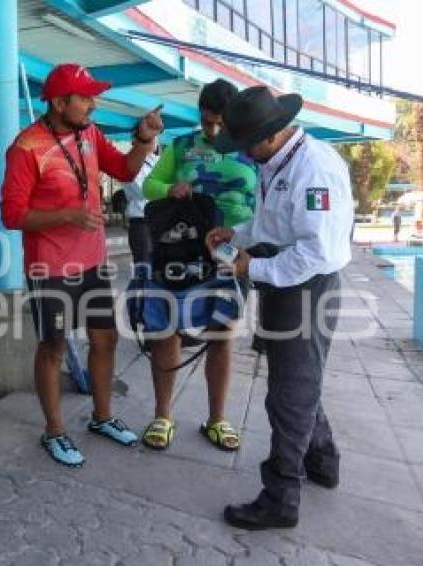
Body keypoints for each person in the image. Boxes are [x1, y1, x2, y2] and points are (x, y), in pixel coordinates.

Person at [0, 63, 164, 467]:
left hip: (92, 262)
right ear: (59, 102)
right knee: (53, 346)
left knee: (105, 339)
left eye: (94, 95)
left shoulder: (90, 133)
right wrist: (67, 215)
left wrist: (144, 138)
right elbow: (11, 215)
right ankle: (54, 431)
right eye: (85, 97)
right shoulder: (26, 146)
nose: (94, 103)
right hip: (49, 266)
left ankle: (102, 417)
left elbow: (124, 169)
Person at [207, 86, 352, 530]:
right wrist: (235, 233)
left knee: (288, 395)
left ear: (268, 136)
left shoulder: (315, 168)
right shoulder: (279, 161)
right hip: (284, 287)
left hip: (308, 290)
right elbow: (273, 223)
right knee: (298, 383)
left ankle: (281, 497)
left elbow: (318, 252)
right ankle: (323, 461)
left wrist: (257, 266)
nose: (245, 156)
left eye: (246, 146)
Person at [139, 79, 256, 452]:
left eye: (221, 123)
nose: (214, 130)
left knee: (221, 334)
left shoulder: (253, 148)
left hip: (231, 257)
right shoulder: (183, 146)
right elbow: (150, 185)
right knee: (165, 330)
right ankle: (162, 415)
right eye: (207, 122)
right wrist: (168, 189)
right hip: (181, 251)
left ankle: (217, 419)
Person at [122, 128, 160, 264]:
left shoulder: (157, 160)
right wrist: (166, 188)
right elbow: (143, 191)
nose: (156, 140)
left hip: (160, 220)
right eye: (151, 137)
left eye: (156, 136)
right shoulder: (129, 162)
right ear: (137, 141)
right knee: (144, 265)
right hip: (142, 222)